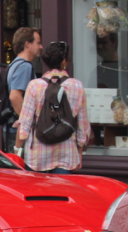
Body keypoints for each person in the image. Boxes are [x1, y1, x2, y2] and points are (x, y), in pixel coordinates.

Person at [16, 40, 91, 174]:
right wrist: (79, 152)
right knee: (61, 194)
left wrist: (17, 151)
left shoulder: (35, 86)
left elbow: (24, 125)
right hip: (67, 155)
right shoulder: (77, 86)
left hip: (37, 157)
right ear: (64, 61)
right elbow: (83, 125)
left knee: (37, 194)